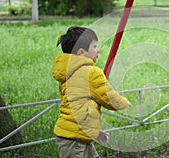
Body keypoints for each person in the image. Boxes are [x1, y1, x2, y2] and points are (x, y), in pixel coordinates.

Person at [52, 26, 130, 158]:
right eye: (94, 46)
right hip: (75, 139)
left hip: (73, 135)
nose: (98, 49)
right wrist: (124, 103)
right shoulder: (91, 72)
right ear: (81, 52)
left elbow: (78, 106)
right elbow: (108, 96)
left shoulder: (67, 73)